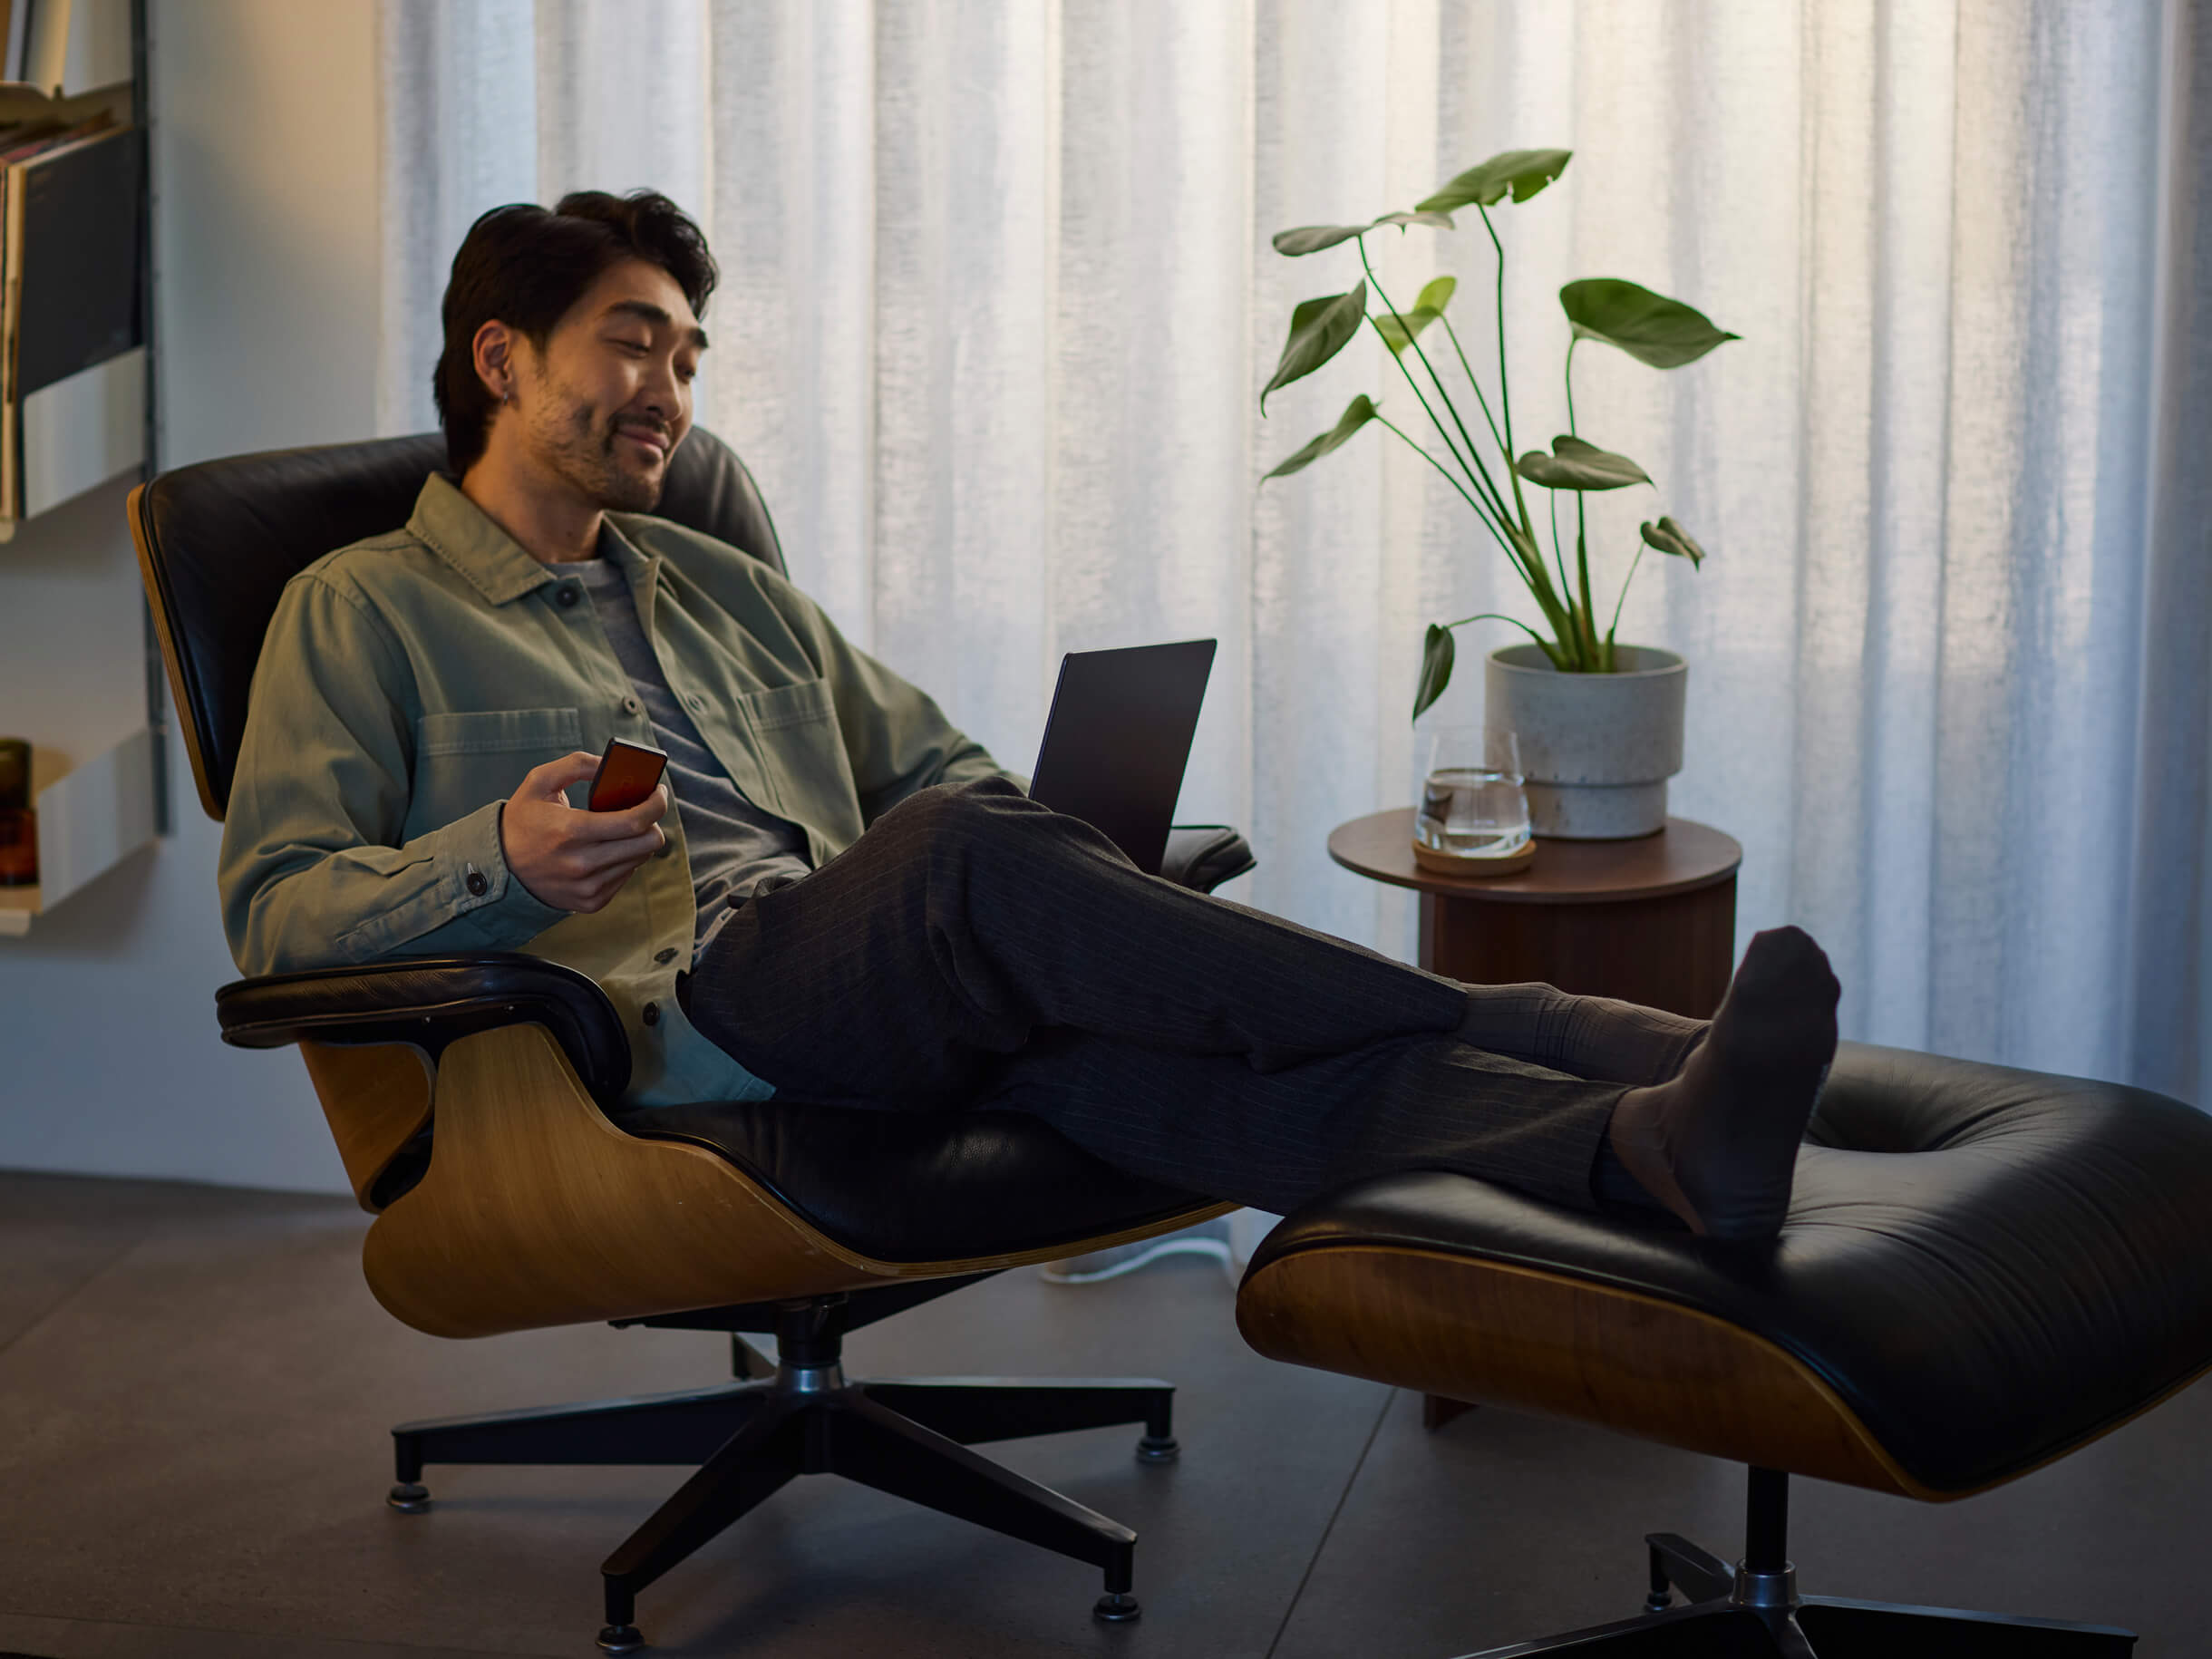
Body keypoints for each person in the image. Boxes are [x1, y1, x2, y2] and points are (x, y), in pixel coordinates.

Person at [219, 189, 1840, 1245]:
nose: (672, 392)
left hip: (869, 977)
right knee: (964, 858)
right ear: (498, 359)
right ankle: (1548, 1022)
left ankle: (1642, 1143)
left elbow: (937, 772)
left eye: (691, 358)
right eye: (633, 343)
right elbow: (280, 914)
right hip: (658, 1030)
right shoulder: (362, 609)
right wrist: (498, 854)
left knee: (1172, 1064)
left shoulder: (713, 583)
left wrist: (1079, 872)